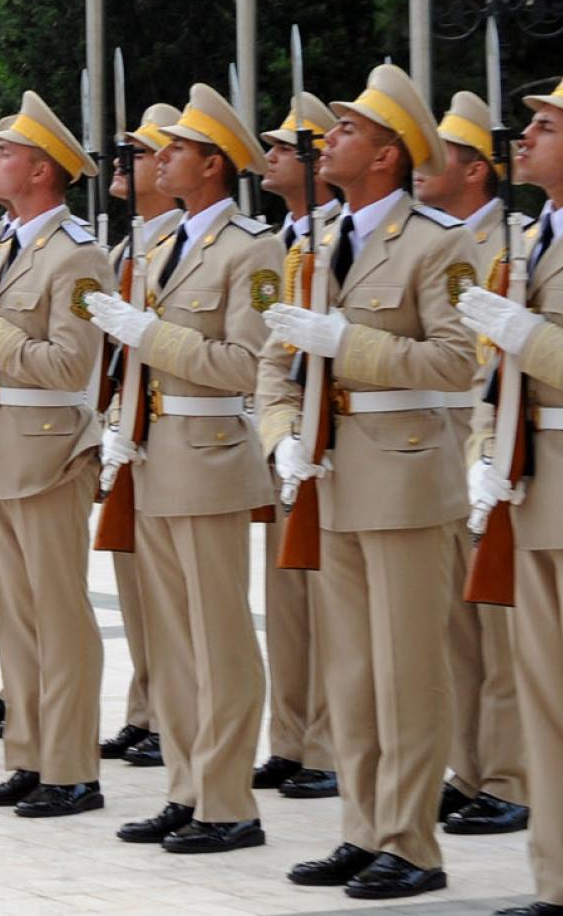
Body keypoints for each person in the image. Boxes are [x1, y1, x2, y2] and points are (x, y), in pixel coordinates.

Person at [258, 64, 475, 899]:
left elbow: (458, 361)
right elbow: (277, 364)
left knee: (408, 668)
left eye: (347, 130)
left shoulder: (437, 243)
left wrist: (343, 344)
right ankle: (362, 827)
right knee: (349, 668)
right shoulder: (315, 243)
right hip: (329, 475)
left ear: (387, 155)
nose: (330, 139)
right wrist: (281, 438)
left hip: (409, 478)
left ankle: (412, 842)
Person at [86, 84, 277, 853]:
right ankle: (187, 786)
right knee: (171, 641)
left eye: (175, 151)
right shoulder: (164, 247)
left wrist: (151, 338)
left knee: (218, 639)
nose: (157, 158)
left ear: (212, 165)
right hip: (156, 453)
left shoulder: (250, 248)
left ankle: (229, 803)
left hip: (209, 456)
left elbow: (243, 363)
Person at [0, 91, 110, 818]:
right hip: (1, 444)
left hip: (49, 450)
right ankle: (29, 756)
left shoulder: (78, 255)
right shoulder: (4, 246)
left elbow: (70, 365)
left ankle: (72, 766)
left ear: (41, 170)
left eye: (6, 153)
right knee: (16, 614)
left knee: (58, 615)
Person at [456, 86, 563, 916]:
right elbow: (495, 378)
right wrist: (486, 456)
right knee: (545, 703)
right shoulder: (528, 239)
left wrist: (528, 334)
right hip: (530, 486)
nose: (522, 138)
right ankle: (554, 879)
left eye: (544, 126)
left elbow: (524, 350)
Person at [417, 91, 534, 837]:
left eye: (439, 159)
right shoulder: (426, 240)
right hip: (445, 446)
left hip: (501, 446)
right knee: (456, 627)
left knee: (501, 624)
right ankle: (469, 768)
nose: (423, 170)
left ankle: (512, 776)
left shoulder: (516, 242)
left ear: (474, 172)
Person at [250, 92, 343, 800]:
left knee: (328, 606)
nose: (271, 157)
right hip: (280, 437)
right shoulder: (276, 239)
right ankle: (291, 736)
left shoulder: (339, 234)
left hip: (335, 442)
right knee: (285, 602)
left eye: (284, 148)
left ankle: (329, 745)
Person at [94, 110, 185, 769]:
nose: (124, 162)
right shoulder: (127, 248)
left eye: (142, 152)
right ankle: (146, 707)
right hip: (129, 435)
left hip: (175, 434)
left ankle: (169, 719)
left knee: (172, 597)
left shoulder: (182, 241)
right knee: (134, 585)